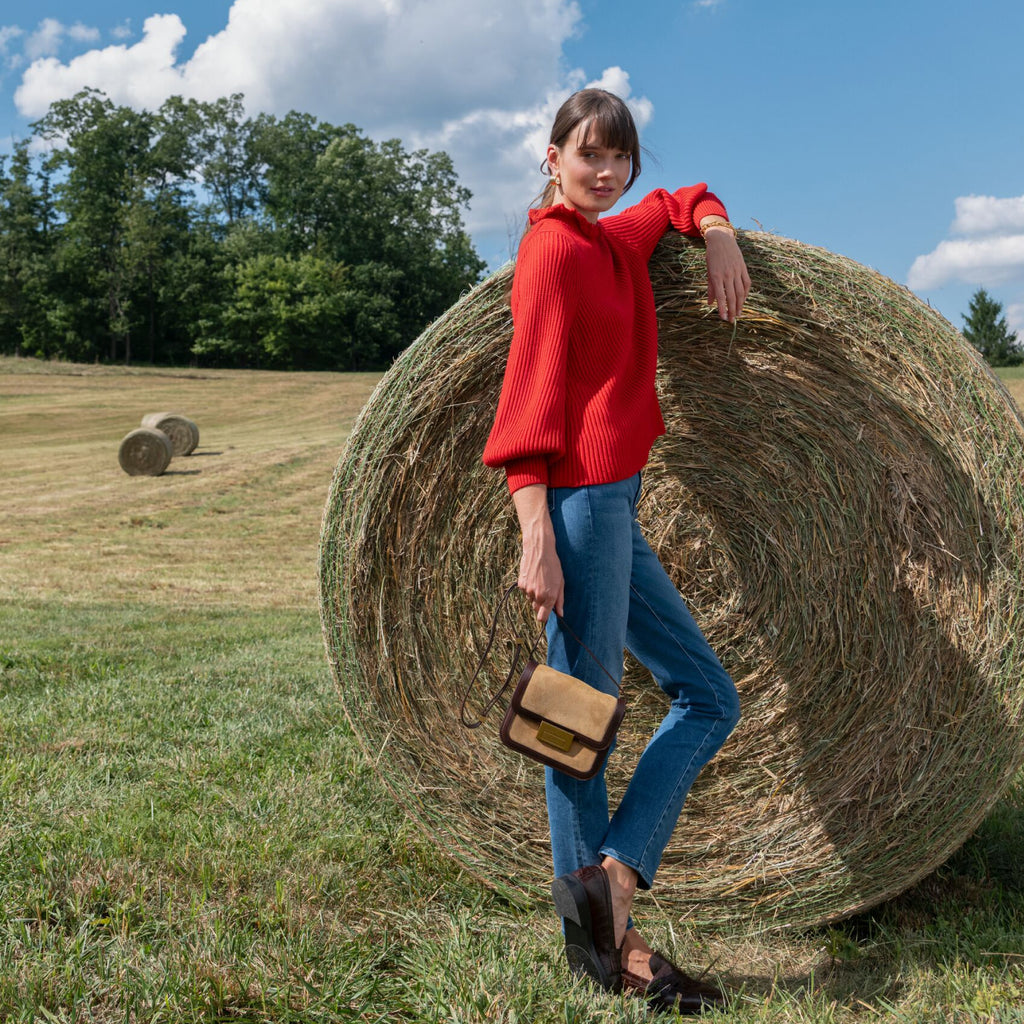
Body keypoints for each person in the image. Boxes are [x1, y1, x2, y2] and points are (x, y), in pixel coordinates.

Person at [482, 88, 749, 1014]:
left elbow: (681, 199)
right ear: (550, 156)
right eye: (587, 155)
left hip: (614, 505)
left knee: (705, 695)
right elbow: (529, 405)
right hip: (577, 506)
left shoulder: (610, 240)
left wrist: (713, 229)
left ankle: (612, 890)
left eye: (619, 157)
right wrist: (535, 541)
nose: (606, 171)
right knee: (576, 719)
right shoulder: (553, 252)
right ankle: (607, 938)